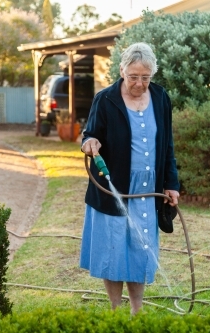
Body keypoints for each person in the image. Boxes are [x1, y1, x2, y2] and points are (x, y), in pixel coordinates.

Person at [79, 42, 180, 315]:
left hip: (147, 189)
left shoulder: (160, 98)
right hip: (114, 187)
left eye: (145, 77)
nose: (139, 83)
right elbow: (89, 134)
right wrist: (89, 143)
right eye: (134, 76)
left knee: (140, 248)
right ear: (122, 70)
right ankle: (115, 310)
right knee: (113, 249)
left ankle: (137, 310)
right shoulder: (106, 99)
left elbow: (167, 144)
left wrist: (172, 184)